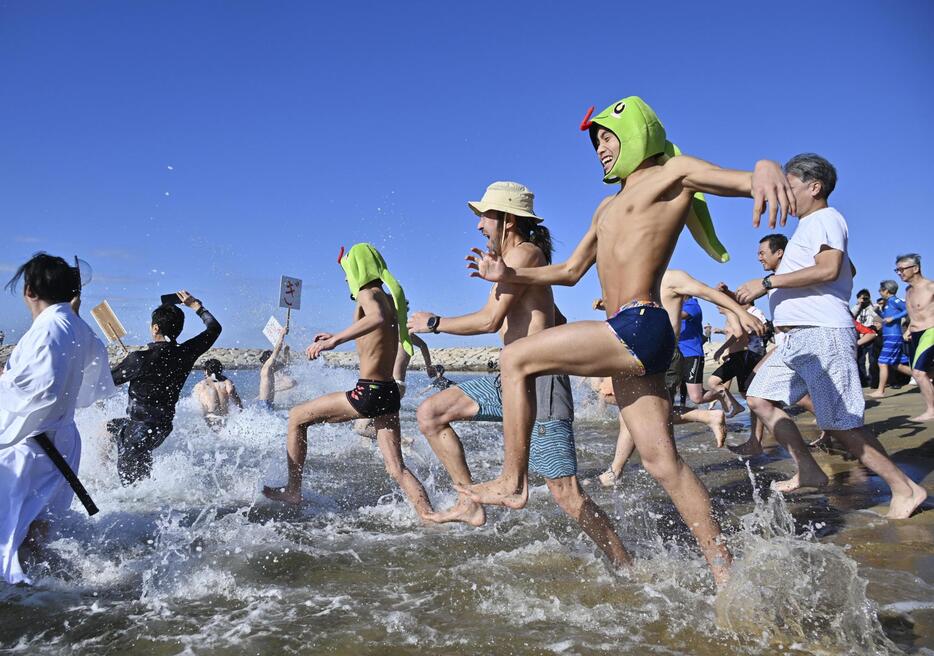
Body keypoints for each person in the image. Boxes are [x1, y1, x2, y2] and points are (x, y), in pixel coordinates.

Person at [460, 95, 796, 584]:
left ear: (639, 132)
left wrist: (765, 166)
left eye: (608, 136)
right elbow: (572, 272)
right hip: (634, 336)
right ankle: (726, 574)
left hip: (639, 324)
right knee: (663, 462)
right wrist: (508, 271)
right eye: (595, 142)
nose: (600, 148)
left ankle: (513, 482)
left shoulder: (672, 174)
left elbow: (741, 180)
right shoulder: (605, 207)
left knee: (516, 360)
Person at [409, 181, 631, 567]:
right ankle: (469, 503)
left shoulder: (526, 254)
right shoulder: (513, 261)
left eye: (485, 217)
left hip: (541, 383)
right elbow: (548, 317)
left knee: (565, 493)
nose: (479, 226)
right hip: (510, 380)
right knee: (431, 413)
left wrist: (435, 322)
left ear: (508, 219)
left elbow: (489, 319)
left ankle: (625, 564)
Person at [736, 153, 927, 519]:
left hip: (822, 333)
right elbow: (847, 268)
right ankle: (807, 468)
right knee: (759, 398)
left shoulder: (825, 217)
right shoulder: (811, 228)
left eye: (789, 187)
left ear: (815, 187)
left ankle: (906, 489)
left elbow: (829, 268)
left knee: (841, 423)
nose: (784, 195)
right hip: (795, 339)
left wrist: (767, 283)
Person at [262, 243, 433, 520]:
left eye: (346, 274)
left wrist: (334, 340)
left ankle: (293, 490)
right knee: (397, 469)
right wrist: (336, 335)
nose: (346, 280)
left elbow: (375, 319)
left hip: (369, 392)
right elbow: (376, 335)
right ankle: (429, 516)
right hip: (388, 391)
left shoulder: (368, 293)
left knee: (296, 417)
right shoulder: (388, 297)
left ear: (358, 270)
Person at [0, 253, 115, 584]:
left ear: (29, 290)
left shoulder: (51, 327)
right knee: (35, 532)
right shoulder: (78, 327)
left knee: (16, 534)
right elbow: (91, 389)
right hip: (58, 440)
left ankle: (41, 597)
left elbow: (40, 389)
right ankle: (60, 589)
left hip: (32, 446)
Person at [596, 269, 763, 487]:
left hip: (665, 355)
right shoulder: (645, 283)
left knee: (641, 411)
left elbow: (707, 293)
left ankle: (618, 470)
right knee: (635, 411)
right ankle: (619, 469)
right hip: (643, 355)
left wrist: (741, 313)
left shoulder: (672, 280)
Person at [108, 291, 222, 484]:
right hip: (162, 428)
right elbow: (214, 328)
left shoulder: (139, 359)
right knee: (110, 427)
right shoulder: (185, 353)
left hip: (138, 430)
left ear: (155, 328)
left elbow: (104, 382)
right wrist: (196, 306)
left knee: (133, 490)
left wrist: (124, 365)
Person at [352, 330, 450, 439]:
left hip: (388, 385)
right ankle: (389, 449)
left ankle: (404, 441)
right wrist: (428, 367)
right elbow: (423, 345)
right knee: (378, 423)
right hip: (398, 386)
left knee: (361, 428)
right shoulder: (405, 333)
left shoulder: (396, 331)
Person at [677, 296, 740, 415]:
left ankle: (721, 394)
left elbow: (679, 315)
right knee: (684, 390)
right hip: (678, 355)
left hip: (692, 354)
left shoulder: (692, 305)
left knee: (696, 398)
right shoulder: (678, 306)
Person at [896, 253, 934, 421]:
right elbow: (914, 313)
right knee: (927, 373)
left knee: (918, 373)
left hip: (931, 331)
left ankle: (931, 411)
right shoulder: (907, 290)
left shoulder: (930, 287)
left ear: (916, 268)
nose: (899, 273)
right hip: (916, 333)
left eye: (902, 269)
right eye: (897, 270)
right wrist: (909, 329)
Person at [870, 280, 912, 398]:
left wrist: (893, 317)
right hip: (890, 336)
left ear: (886, 291)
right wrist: (878, 311)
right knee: (896, 365)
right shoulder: (888, 302)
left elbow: (907, 309)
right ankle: (925, 376)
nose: (879, 292)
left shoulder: (894, 300)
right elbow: (886, 319)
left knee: (882, 362)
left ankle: (880, 390)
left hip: (893, 336)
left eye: (880, 290)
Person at [193, 358, 242, 430]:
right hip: (224, 419)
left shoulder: (200, 385)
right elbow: (231, 391)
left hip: (210, 419)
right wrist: (241, 408)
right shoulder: (227, 382)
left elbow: (198, 406)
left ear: (206, 371)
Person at [851, 288, 881, 387]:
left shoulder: (872, 308)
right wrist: (858, 305)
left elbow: (876, 316)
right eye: (861, 298)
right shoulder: (856, 307)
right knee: (860, 360)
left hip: (871, 335)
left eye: (865, 298)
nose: (863, 300)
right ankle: (863, 381)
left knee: (873, 360)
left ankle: (874, 382)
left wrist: (869, 305)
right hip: (859, 335)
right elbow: (851, 316)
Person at [258, 326, 291, 409]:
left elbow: (285, 364)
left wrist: (286, 352)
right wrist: (282, 334)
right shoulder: (266, 368)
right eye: (275, 360)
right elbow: (277, 349)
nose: (276, 361)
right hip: (264, 404)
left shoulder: (270, 370)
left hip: (269, 403)